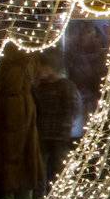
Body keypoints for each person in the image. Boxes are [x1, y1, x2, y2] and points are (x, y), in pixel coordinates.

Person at [0, 45, 44, 199]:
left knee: (8, 150)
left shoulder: (5, 62)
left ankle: (8, 195)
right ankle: (25, 194)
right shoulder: (31, 58)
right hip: (26, 105)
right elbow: (36, 80)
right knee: (27, 149)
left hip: (7, 108)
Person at [32, 47, 81, 187]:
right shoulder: (40, 87)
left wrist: (65, 127)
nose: (39, 70)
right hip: (43, 134)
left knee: (59, 167)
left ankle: (59, 191)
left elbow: (71, 108)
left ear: (50, 68)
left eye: (42, 67)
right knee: (43, 166)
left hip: (59, 135)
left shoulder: (65, 86)